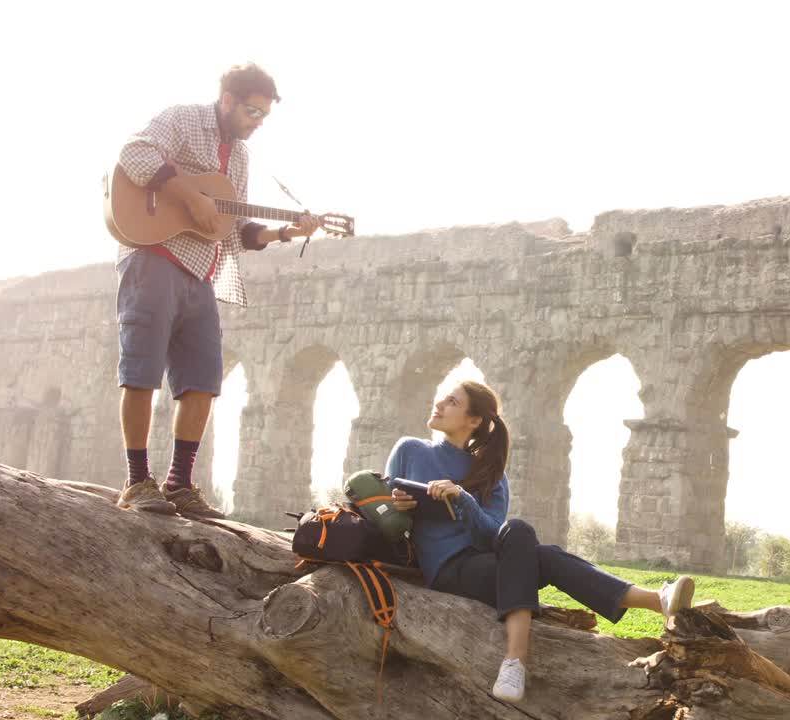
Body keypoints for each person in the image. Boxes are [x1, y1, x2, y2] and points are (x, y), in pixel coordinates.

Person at [385, 380, 695, 704]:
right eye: (443, 398)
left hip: (489, 567)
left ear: (474, 420)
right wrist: (397, 505)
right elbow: (378, 510)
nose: (439, 403)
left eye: (451, 401)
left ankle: (515, 662)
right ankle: (657, 601)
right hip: (447, 572)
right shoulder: (410, 450)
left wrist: (463, 499)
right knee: (543, 557)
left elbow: (490, 535)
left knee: (519, 532)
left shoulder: (491, 473)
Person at [113, 63, 318, 519]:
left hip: (201, 271)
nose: (257, 121)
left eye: (263, 115)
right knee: (141, 372)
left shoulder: (240, 158)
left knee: (204, 380)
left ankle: (180, 484)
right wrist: (189, 197)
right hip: (153, 256)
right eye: (251, 111)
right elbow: (135, 152)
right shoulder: (184, 119)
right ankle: (135, 480)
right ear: (226, 99)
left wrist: (286, 233)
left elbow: (235, 230)